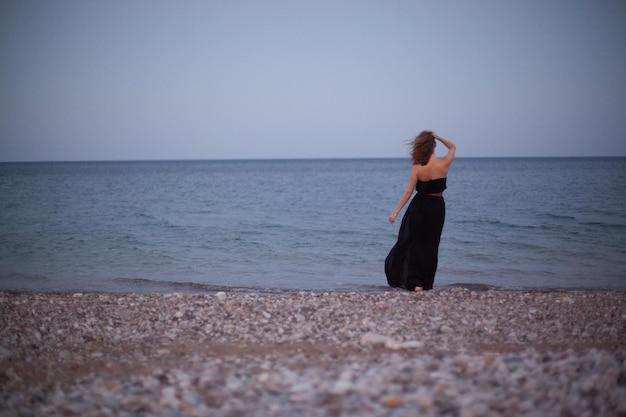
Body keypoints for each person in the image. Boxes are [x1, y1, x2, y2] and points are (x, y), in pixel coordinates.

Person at [385, 130, 456, 291]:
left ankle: (414, 282)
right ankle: (425, 283)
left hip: (419, 206)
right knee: (431, 245)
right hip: (437, 207)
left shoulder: (417, 167)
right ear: (434, 145)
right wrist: (438, 136)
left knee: (414, 243)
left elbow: (408, 192)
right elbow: (453, 147)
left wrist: (395, 212)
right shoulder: (443, 164)